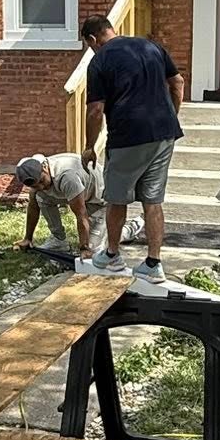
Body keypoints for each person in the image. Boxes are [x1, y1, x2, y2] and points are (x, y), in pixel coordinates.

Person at [81, 15, 184, 282]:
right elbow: (178, 83)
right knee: (153, 201)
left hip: (128, 136)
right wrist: (171, 116)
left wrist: (89, 146)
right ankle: (153, 264)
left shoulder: (100, 60)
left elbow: (95, 110)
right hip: (164, 135)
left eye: (89, 45)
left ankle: (112, 256)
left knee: (117, 198)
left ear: (93, 39)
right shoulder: (151, 47)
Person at [13, 151, 143, 256]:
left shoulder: (67, 177)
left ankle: (129, 228)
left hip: (99, 200)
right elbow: (33, 208)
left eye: (42, 181)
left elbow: (81, 215)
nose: (41, 187)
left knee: (94, 250)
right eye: (36, 186)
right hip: (80, 193)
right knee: (40, 198)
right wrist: (28, 238)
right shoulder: (35, 179)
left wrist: (84, 248)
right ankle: (58, 240)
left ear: (45, 167)